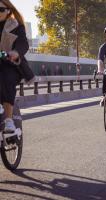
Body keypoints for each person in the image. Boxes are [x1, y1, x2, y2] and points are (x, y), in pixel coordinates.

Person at [0, 0, 34, 132]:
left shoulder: (16, 26)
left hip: (12, 63)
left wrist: (15, 52)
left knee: (6, 78)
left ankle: (9, 120)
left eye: (1, 9)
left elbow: (23, 43)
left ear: (8, 11)